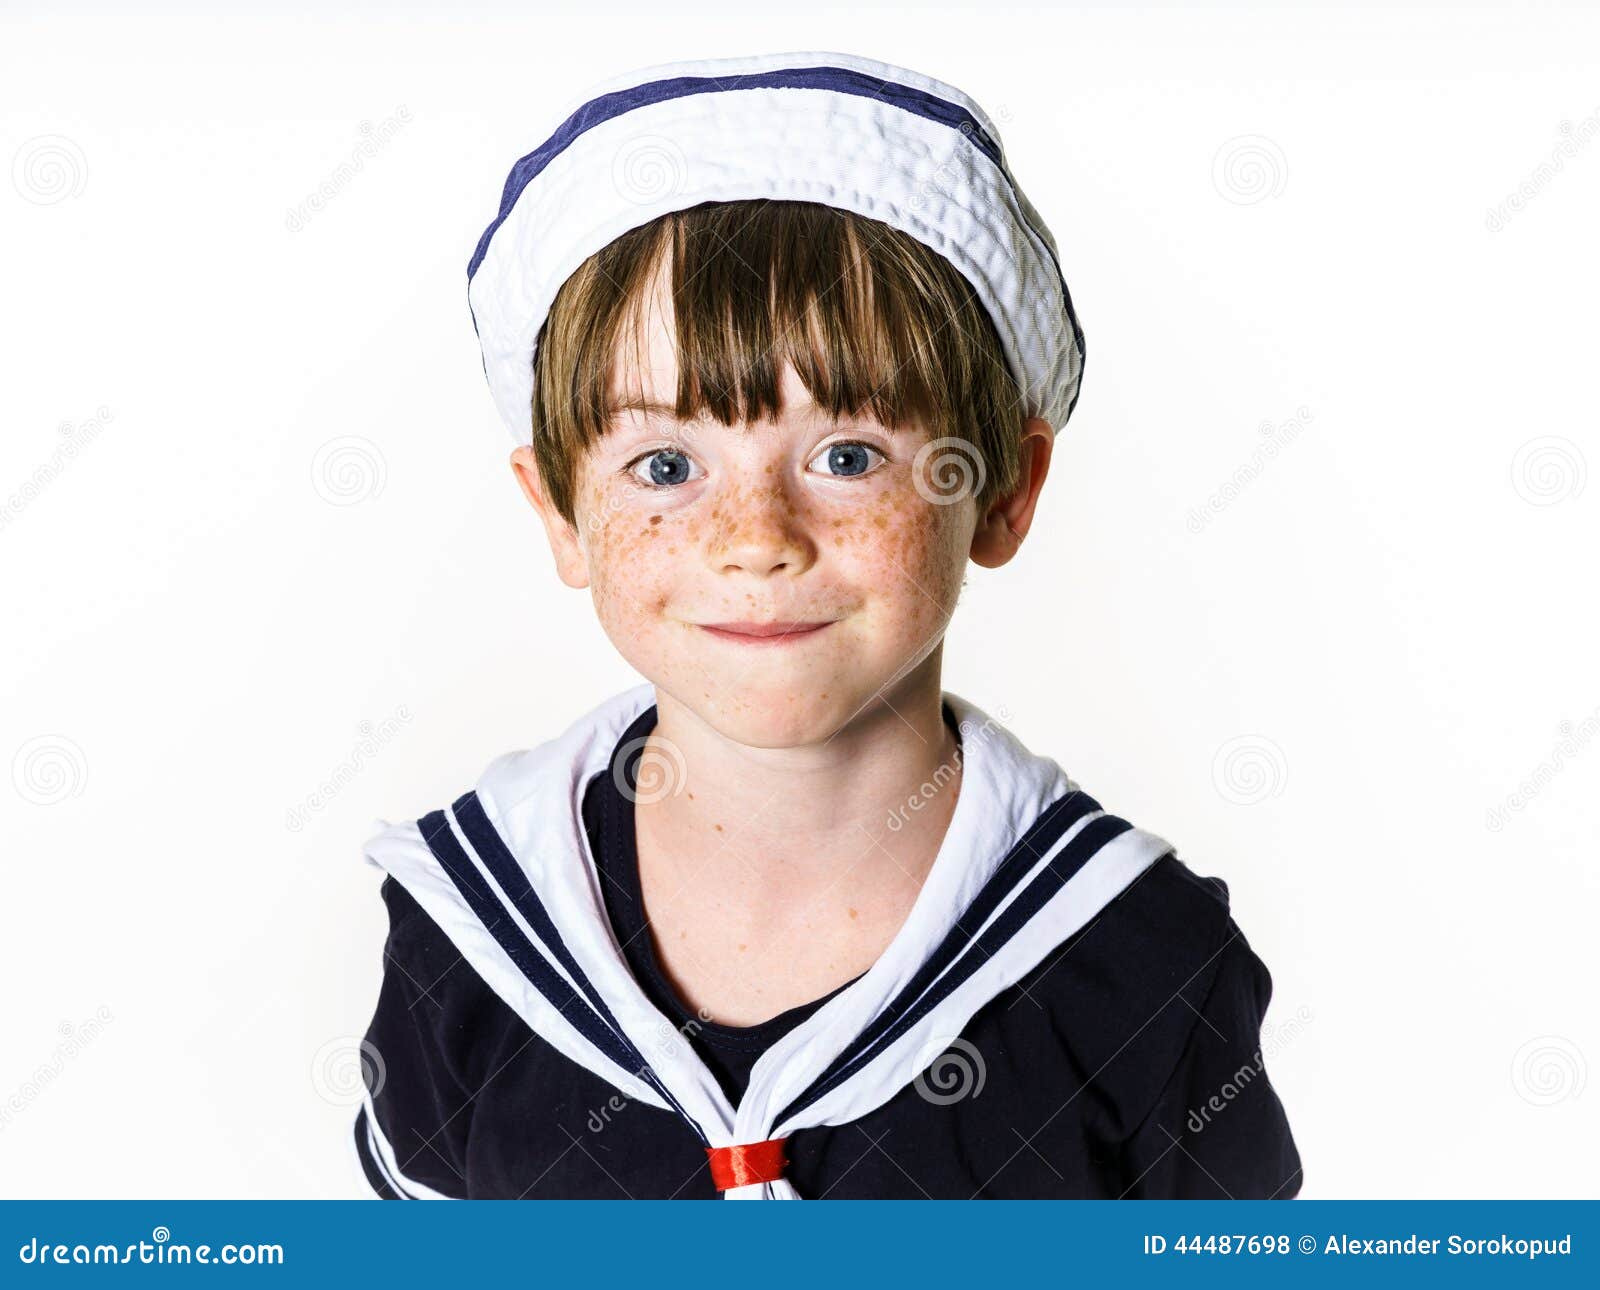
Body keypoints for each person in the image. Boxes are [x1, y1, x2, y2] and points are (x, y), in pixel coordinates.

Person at [350, 50, 1303, 1200]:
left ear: (1004, 489)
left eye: (848, 456)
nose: (756, 539)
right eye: (665, 466)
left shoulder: (1139, 968)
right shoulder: (463, 937)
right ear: (560, 516)